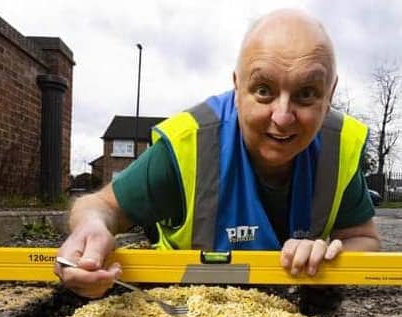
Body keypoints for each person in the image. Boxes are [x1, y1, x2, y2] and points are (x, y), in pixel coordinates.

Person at [55, 9, 380, 301]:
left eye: (306, 94)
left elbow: (363, 239)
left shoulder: (340, 147)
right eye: (264, 90)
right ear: (237, 88)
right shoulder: (187, 146)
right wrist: (90, 229)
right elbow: (99, 206)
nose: (282, 117)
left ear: (330, 94)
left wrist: (330, 261)